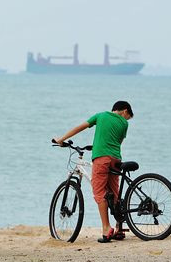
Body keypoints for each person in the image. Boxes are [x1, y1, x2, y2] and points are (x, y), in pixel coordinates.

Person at [53, 101, 134, 243]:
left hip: (101, 158)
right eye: (127, 116)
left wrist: (61, 139)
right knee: (114, 193)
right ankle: (119, 228)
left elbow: (80, 127)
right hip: (116, 159)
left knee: (99, 192)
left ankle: (106, 228)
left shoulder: (100, 116)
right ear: (125, 111)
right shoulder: (124, 124)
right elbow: (117, 142)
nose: (126, 119)